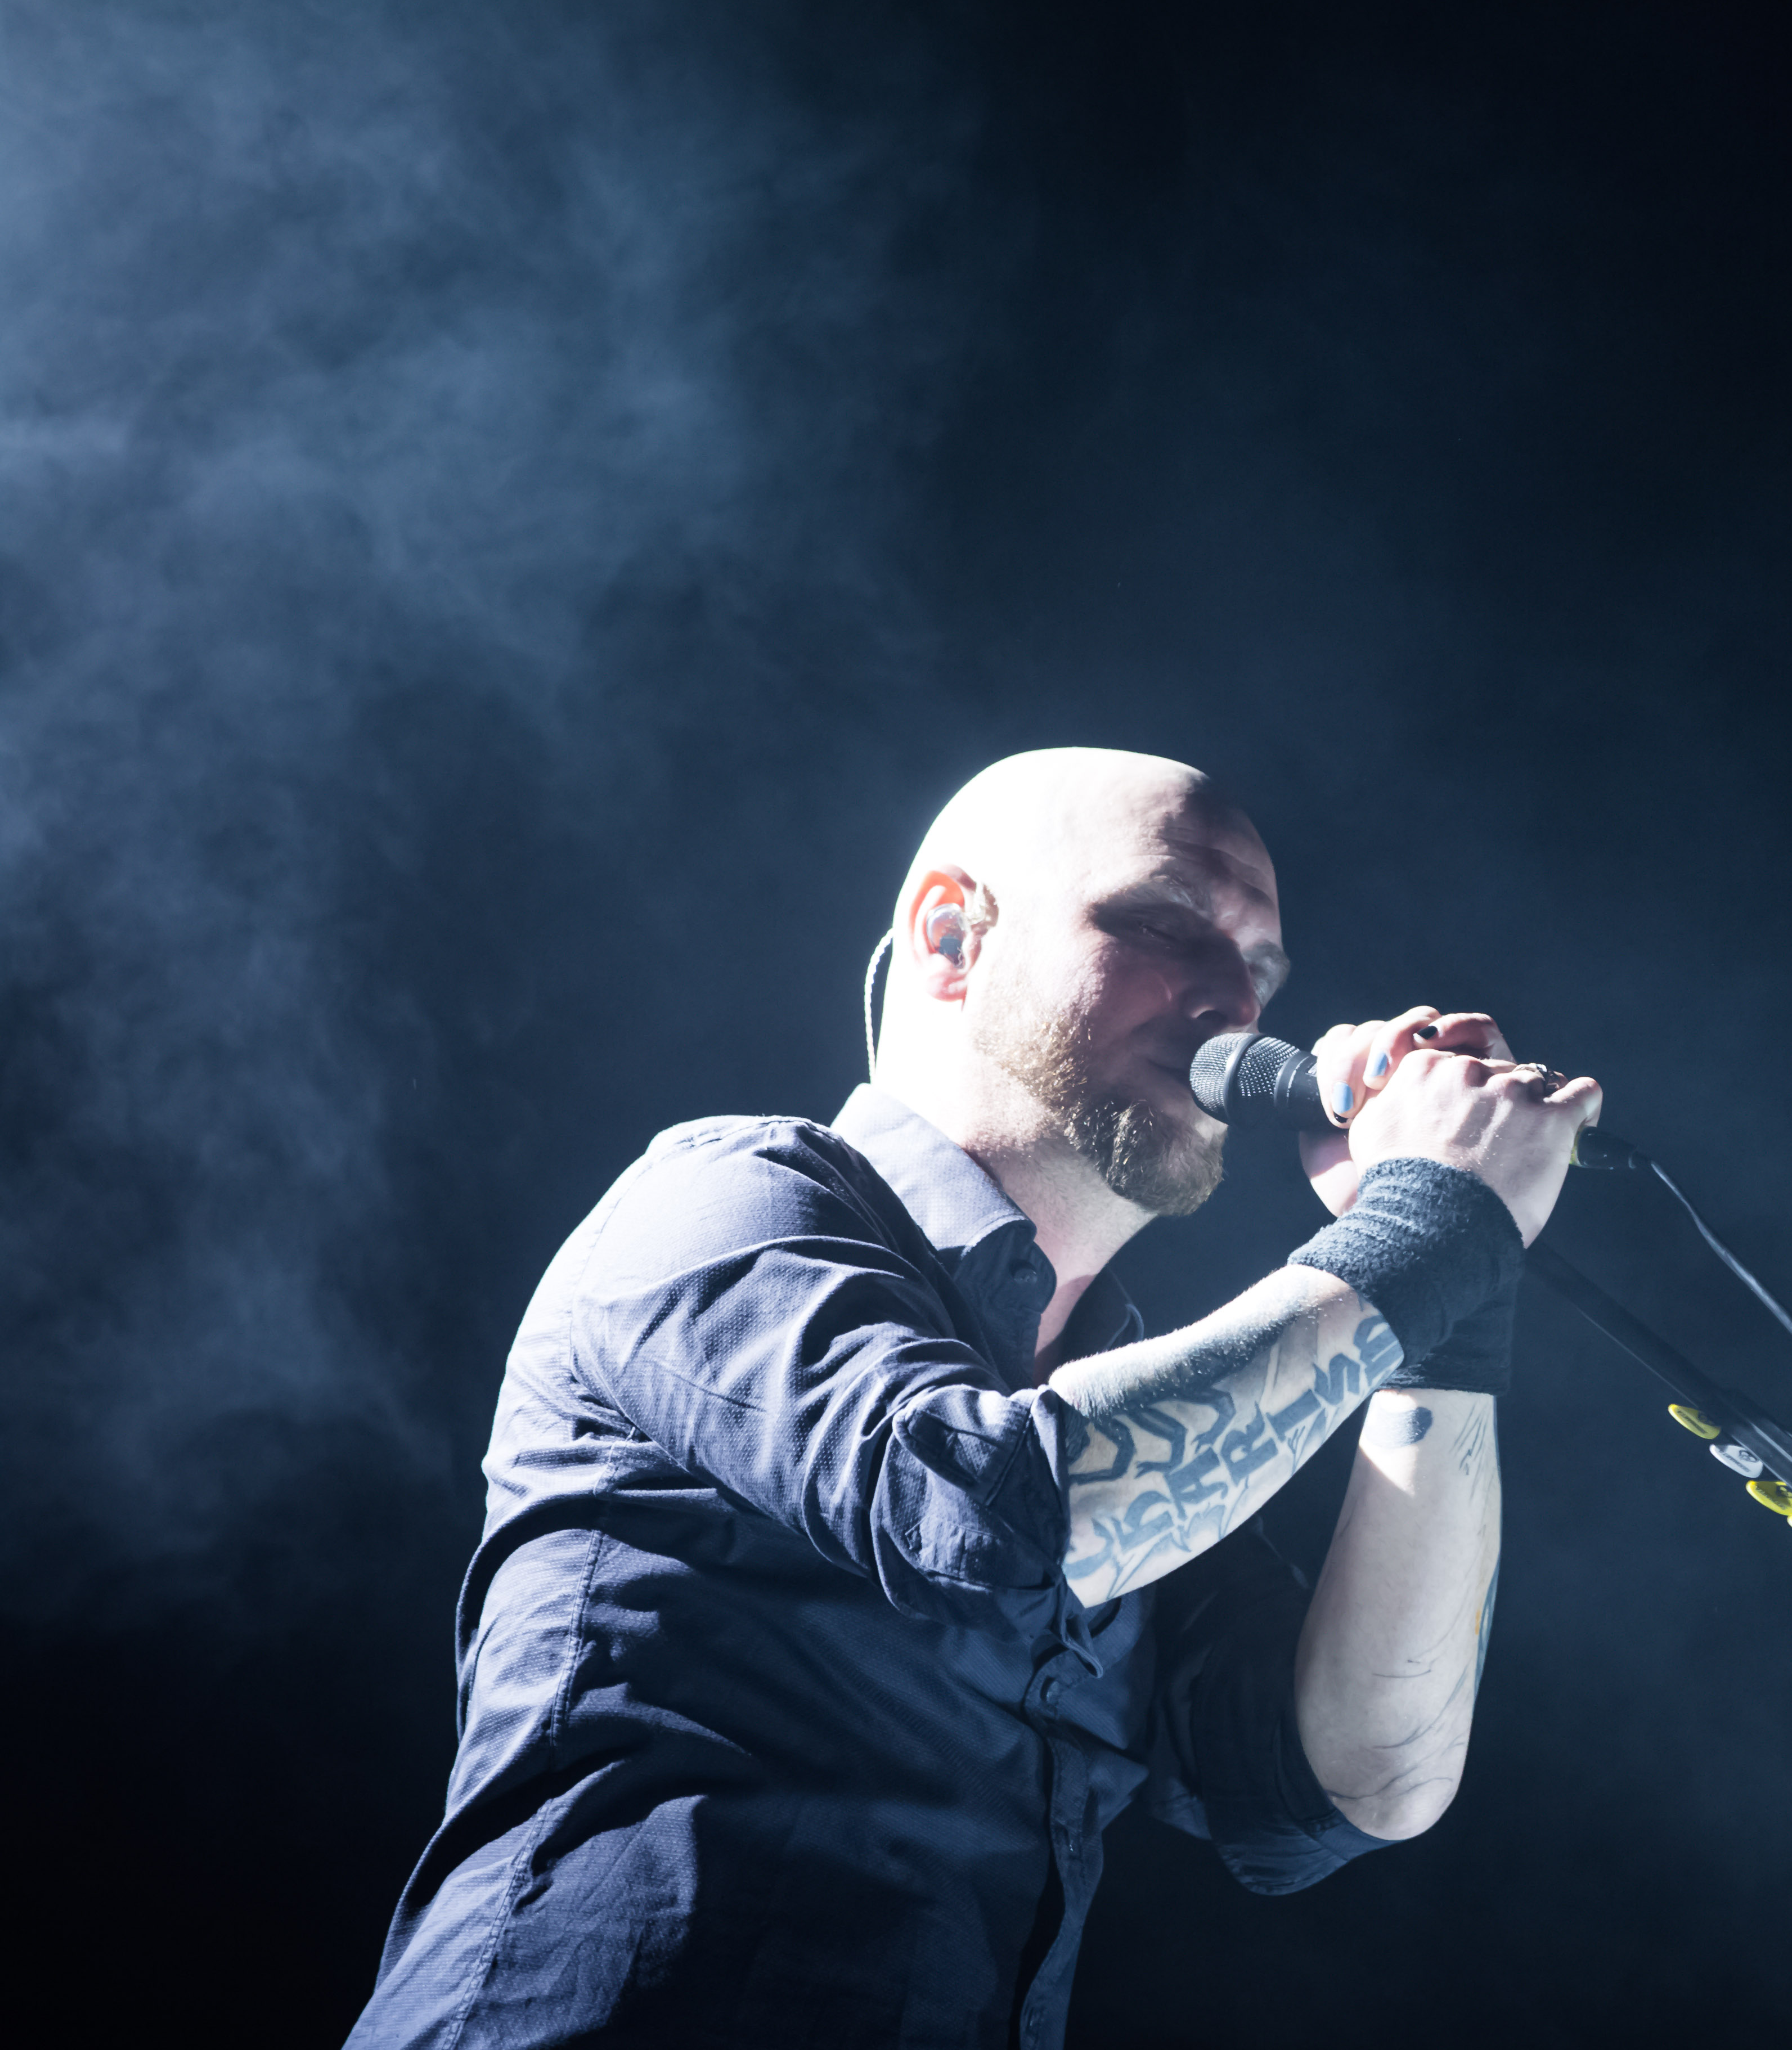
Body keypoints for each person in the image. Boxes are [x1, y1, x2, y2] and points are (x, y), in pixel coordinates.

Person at [349, 749, 1600, 2048]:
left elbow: (1362, 1778)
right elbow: (1004, 1515)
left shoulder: (1128, 1395)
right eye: (1167, 925)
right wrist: (1426, 1228)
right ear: (952, 936)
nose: (1236, 1002)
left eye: (1262, 971)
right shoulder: (723, 1202)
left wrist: (1458, 1309)